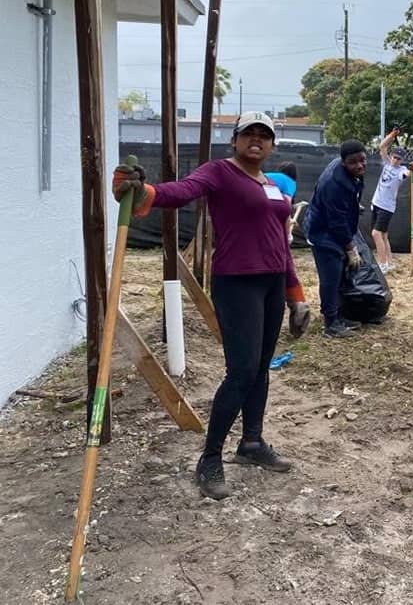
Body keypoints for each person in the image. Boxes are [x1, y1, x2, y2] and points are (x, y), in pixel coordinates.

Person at [112, 112, 311, 501]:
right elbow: (183, 191)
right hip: (237, 283)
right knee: (241, 372)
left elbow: (280, 245)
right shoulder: (220, 172)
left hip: (271, 284)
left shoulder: (271, 184)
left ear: (271, 145)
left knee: (260, 369)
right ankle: (210, 458)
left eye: (264, 135)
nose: (257, 140)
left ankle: (251, 443)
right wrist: (146, 193)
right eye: (249, 134)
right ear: (235, 140)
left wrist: (295, 296)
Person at [305, 139, 367, 338]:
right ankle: (330, 324)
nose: (359, 165)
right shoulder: (335, 183)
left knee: (340, 274)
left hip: (333, 228)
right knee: (330, 277)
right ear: (343, 162)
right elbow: (336, 221)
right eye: (353, 162)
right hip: (322, 233)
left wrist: (353, 206)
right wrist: (350, 248)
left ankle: (339, 316)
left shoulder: (349, 174)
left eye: (362, 160)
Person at [370, 128, 413, 273]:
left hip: (387, 207)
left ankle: (383, 264)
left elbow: (406, 175)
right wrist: (392, 135)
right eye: (394, 157)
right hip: (376, 203)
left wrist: (412, 170)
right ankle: (390, 263)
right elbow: (382, 147)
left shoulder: (400, 170)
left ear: (402, 160)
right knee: (383, 235)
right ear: (391, 156)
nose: (395, 160)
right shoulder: (386, 163)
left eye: (399, 158)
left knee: (376, 234)